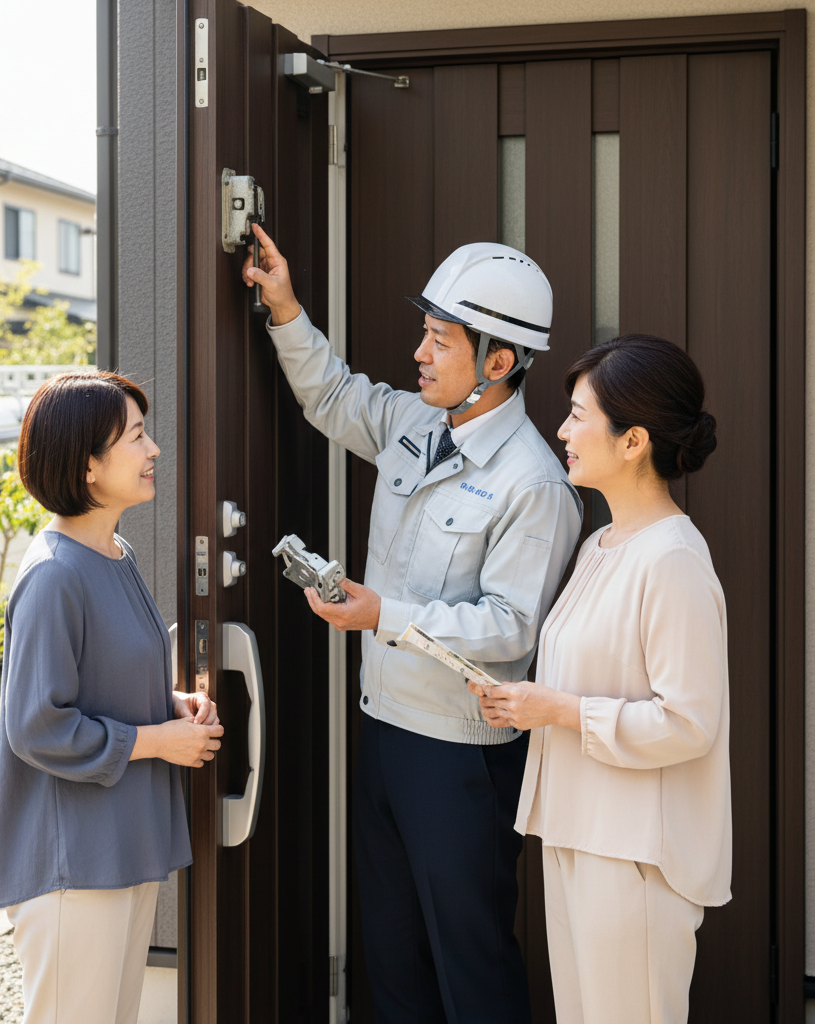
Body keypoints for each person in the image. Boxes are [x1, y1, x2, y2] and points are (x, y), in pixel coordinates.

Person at [244, 224, 582, 1023]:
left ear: (498, 363)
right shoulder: (416, 424)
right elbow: (331, 395)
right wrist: (285, 306)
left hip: (461, 761)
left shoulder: (535, 484)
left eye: (440, 340)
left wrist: (380, 614)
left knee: (471, 964)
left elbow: (510, 628)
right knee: (392, 960)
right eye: (424, 334)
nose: (420, 353)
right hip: (385, 734)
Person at [473, 335, 729, 1024]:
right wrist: (529, 704)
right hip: (579, 833)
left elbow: (689, 723)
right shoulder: (601, 544)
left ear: (633, 440)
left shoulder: (672, 559)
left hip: (637, 856)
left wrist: (556, 709)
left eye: (579, 414)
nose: (561, 430)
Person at [0, 370, 223, 1024]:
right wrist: (156, 742)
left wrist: (169, 706)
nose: (153, 452)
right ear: (88, 465)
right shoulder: (55, 576)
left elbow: (101, 685)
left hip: (120, 848)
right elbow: (36, 727)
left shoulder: (116, 555)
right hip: (73, 865)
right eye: (137, 438)